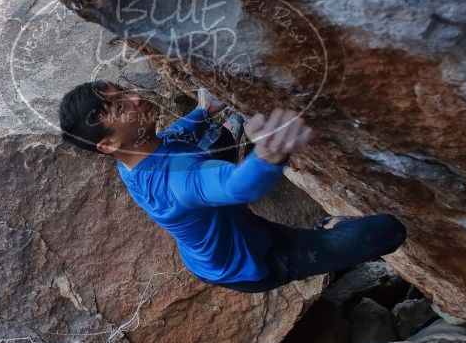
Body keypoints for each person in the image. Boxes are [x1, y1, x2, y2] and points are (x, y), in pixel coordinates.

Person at [58, 80, 406, 293]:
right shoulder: (174, 182)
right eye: (120, 107)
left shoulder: (133, 156)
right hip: (257, 262)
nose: (135, 99)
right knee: (387, 231)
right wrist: (272, 151)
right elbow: (241, 187)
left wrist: (203, 110)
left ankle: (230, 129)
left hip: (230, 234)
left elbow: (173, 137)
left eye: (124, 92)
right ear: (107, 145)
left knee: (210, 142)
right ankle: (328, 225)